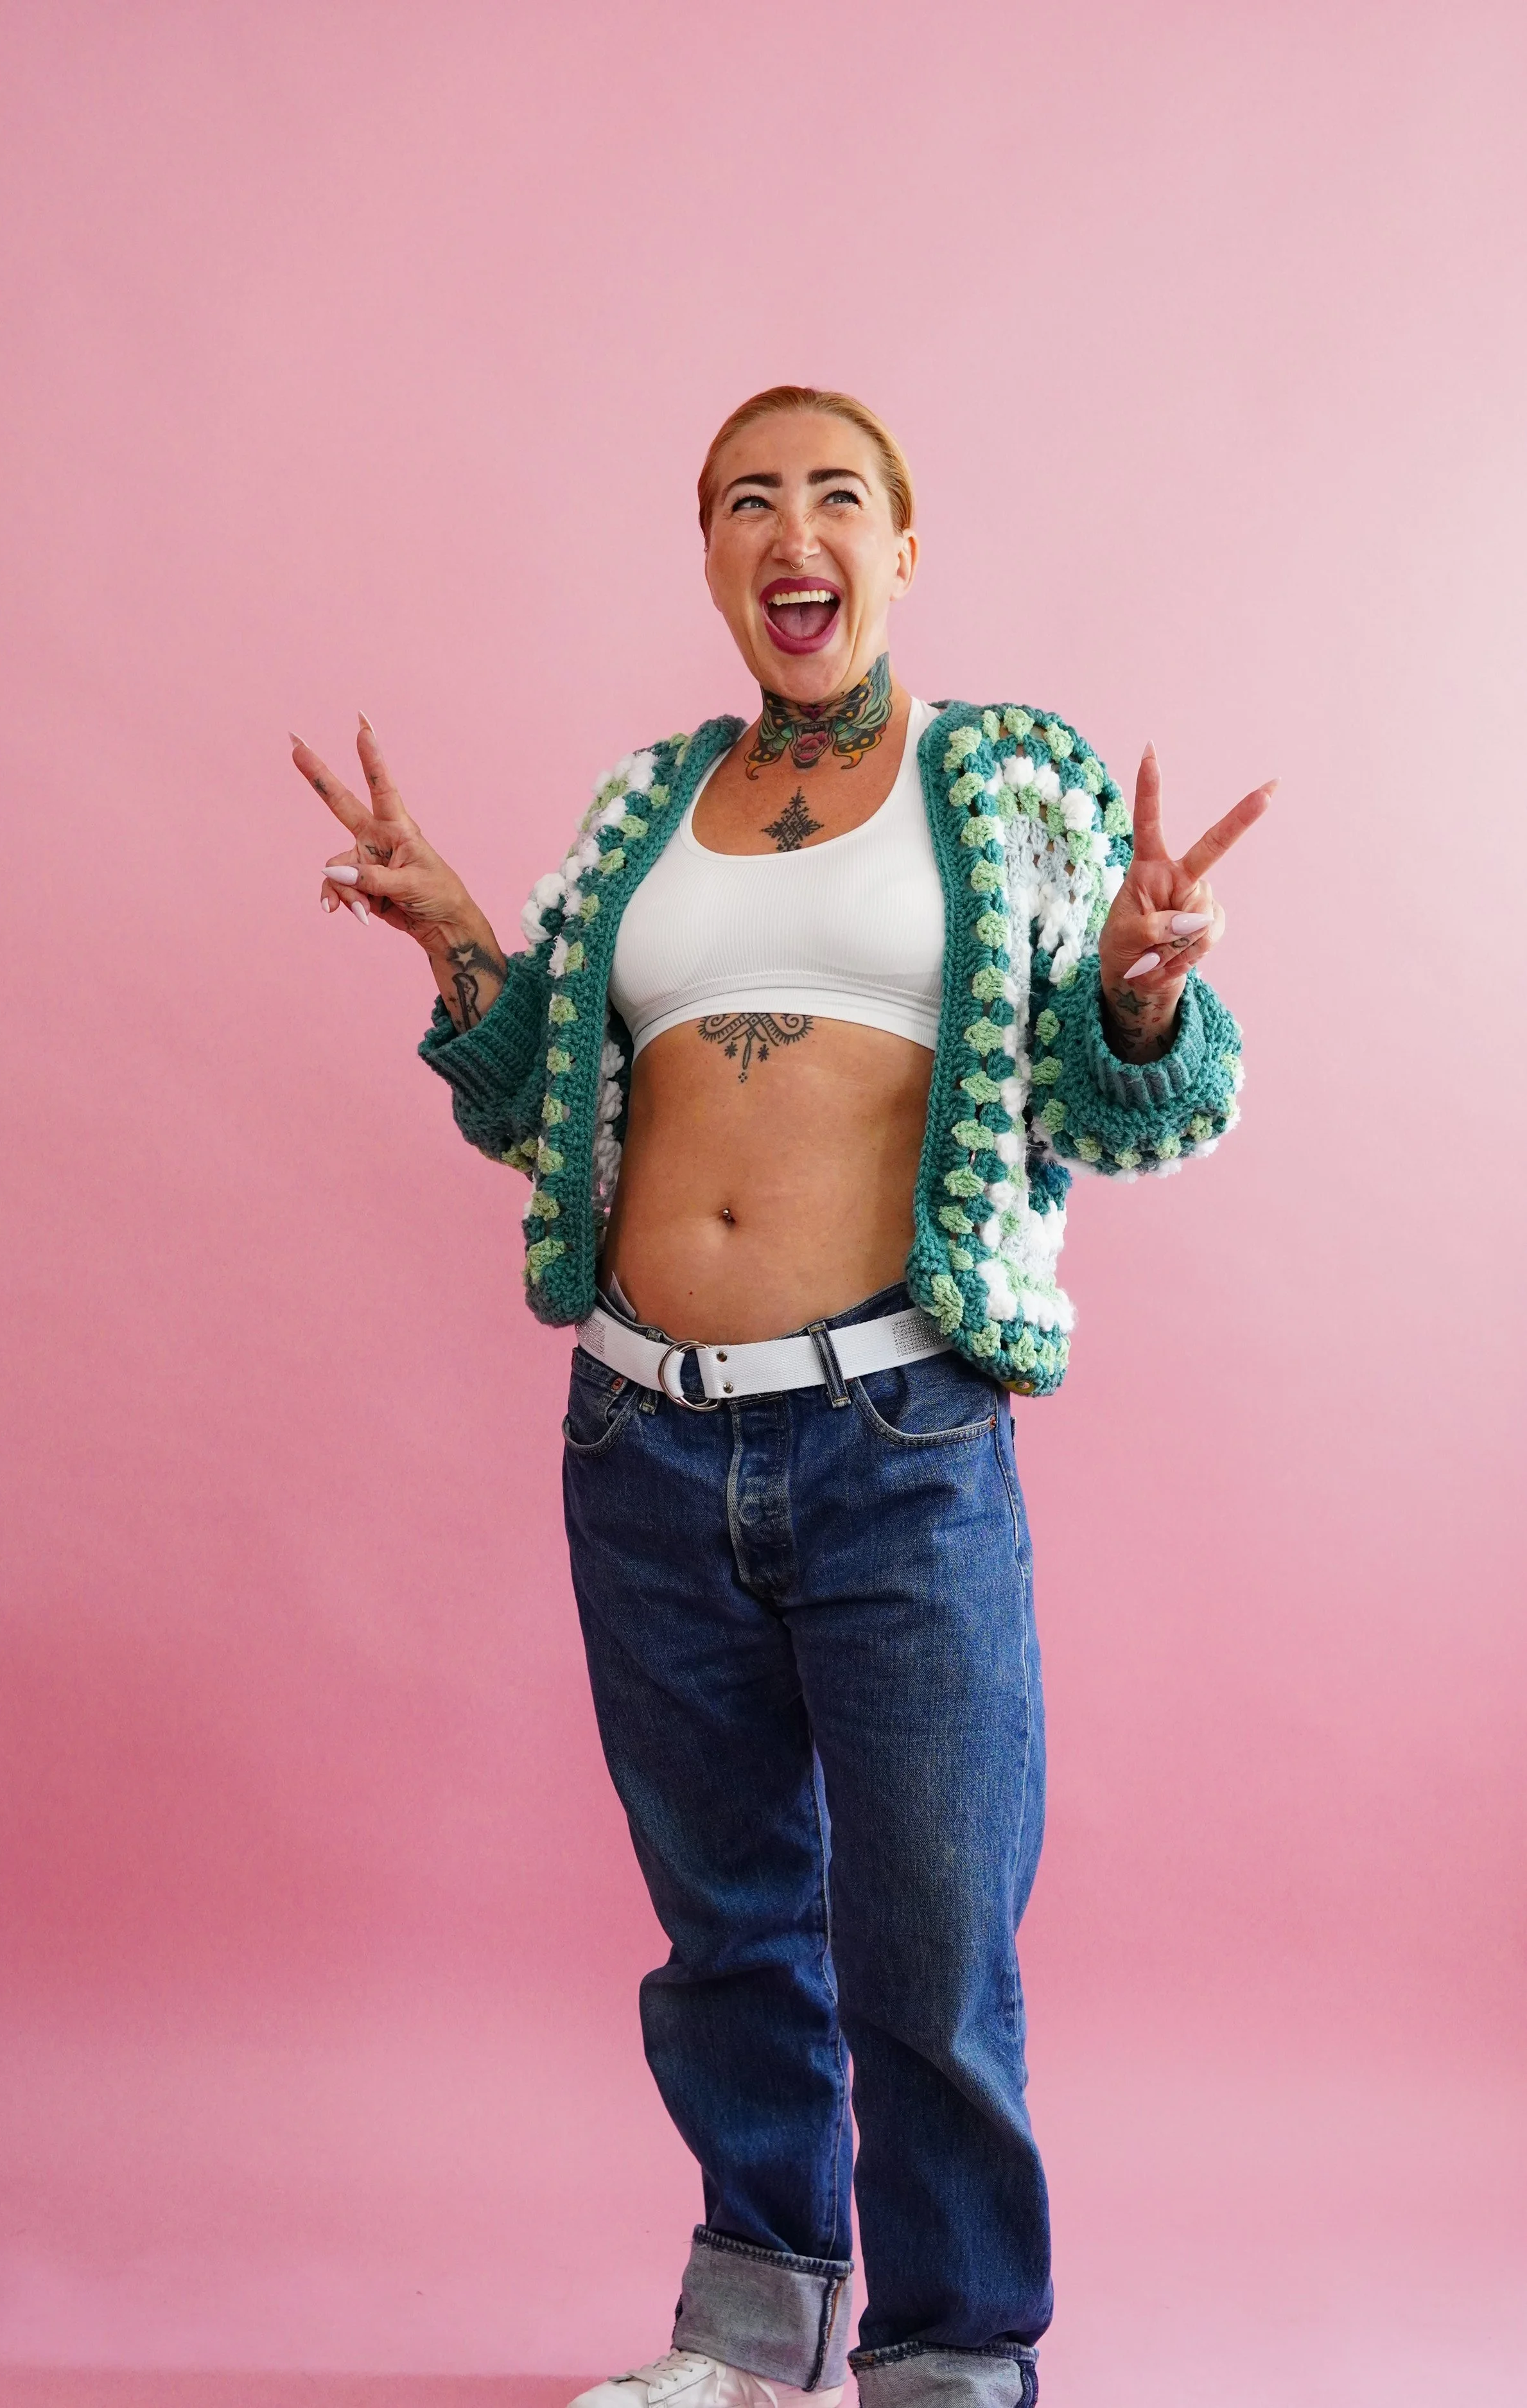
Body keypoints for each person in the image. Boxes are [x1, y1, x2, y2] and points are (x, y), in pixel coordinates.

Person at [292, 386, 1270, 2408]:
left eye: (835, 494)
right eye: (747, 499)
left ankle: (949, 2344)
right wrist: (457, 932)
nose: (789, 527)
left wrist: (1147, 981)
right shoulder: (641, 805)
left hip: (895, 1437)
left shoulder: (1009, 784)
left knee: (927, 1939)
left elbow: (1124, 1096)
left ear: (901, 546)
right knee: (725, 1926)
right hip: (642, 1437)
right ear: (717, 559)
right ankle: (751, 2330)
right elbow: (544, 1097)